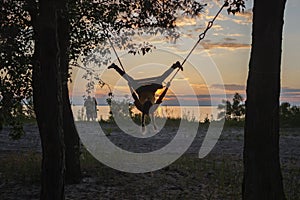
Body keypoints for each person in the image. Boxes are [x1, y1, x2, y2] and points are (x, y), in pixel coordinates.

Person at [108, 61, 183, 130]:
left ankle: (115, 67)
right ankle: (175, 65)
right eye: (149, 100)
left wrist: (130, 86)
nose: (147, 99)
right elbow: (161, 97)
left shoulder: (140, 107)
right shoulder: (153, 108)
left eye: (146, 100)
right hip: (150, 89)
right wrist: (167, 87)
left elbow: (134, 96)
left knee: (129, 79)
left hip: (140, 90)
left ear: (144, 105)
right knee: (161, 78)